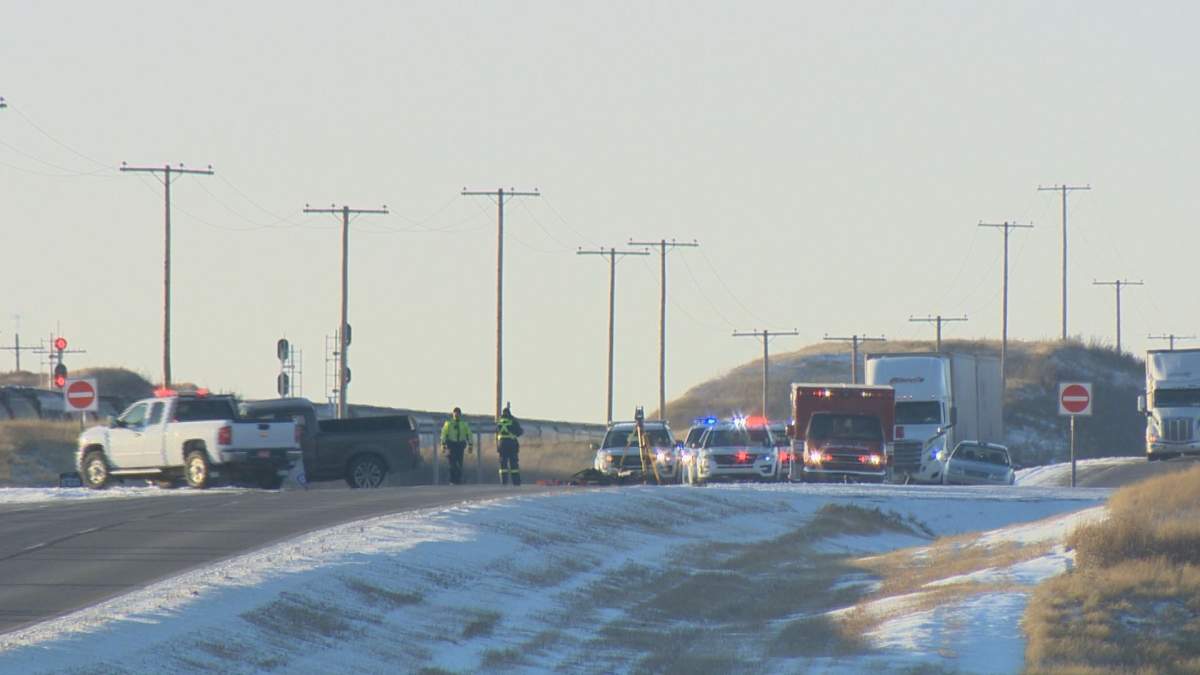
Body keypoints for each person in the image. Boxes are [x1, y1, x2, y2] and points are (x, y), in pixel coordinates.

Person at [440, 407, 473, 485]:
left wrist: (470, 445)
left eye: (458, 413)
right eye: (455, 413)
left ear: (460, 414)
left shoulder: (464, 424)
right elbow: (444, 434)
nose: (456, 415)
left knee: (459, 463)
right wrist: (443, 444)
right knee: (452, 463)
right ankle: (452, 480)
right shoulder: (449, 423)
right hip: (451, 445)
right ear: (453, 414)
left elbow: (469, 434)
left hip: (460, 446)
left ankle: (458, 479)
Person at [496, 403, 523, 486]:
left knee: (503, 464)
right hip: (511, 445)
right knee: (514, 464)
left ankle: (504, 482)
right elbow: (520, 432)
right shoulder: (513, 421)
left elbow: (496, 432)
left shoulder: (499, 422)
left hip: (502, 445)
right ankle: (516, 482)